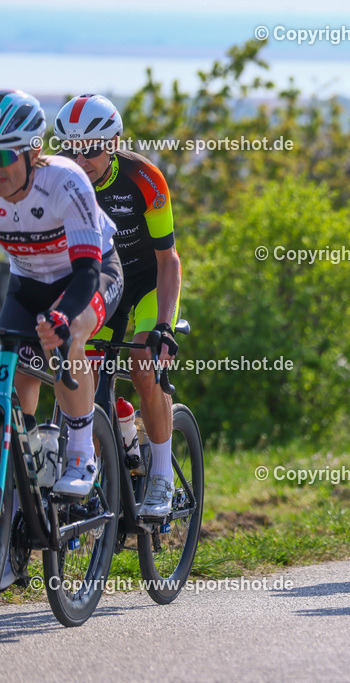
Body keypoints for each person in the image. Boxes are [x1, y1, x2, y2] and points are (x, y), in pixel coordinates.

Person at [1, 90, 123, 590]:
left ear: (34, 152)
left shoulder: (65, 181)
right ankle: (22, 483)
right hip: (28, 283)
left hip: (89, 275)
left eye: (5, 158)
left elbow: (88, 271)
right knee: (13, 379)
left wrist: (61, 316)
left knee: (71, 335)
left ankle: (80, 450)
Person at [53, 94, 180, 517]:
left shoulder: (144, 179)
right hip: (101, 284)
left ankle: (161, 475)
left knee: (144, 364)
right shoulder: (59, 177)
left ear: (113, 143)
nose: (81, 159)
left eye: (90, 149)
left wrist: (163, 325)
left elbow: (168, 260)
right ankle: (111, 446)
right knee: (82, 375)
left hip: (146, 284)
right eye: (71, 148)